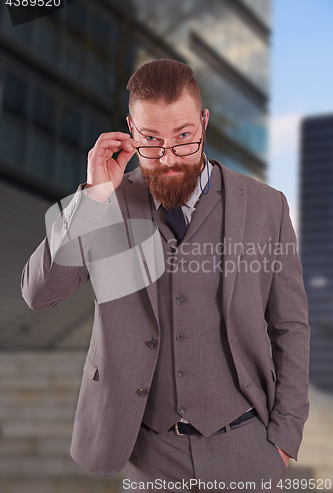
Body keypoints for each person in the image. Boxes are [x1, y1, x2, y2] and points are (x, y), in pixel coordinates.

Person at [21, 59, 310, 492]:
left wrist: (284, 438)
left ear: (204, 123)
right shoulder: (107, 203)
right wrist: (94, 197)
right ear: (130, 131)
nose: (170, 156)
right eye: (151, 140)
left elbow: (290, 326)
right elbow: (39, 295)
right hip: (148, 455)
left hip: (248, 447)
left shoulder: (267, 207)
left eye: (184, 138)